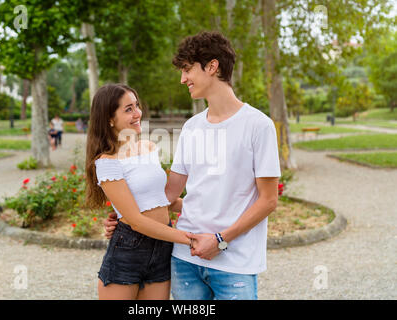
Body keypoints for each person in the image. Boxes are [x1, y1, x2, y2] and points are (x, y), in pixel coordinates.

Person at [104, 31, 281, 300]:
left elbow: (268, 200)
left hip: (235, 264)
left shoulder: (258, 125)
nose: (182, 79)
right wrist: (126, 216)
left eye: (187, 69)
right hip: (186, 261)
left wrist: (220, 240)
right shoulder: (191, 127)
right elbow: (169, 194)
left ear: (212, 66)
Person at [85, 83, 193, 300]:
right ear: (109, 119)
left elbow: (163, 200)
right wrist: (191, 239)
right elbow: (136, 220)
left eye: (136, 106)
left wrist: (204, 207)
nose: (138, 113)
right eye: (128, 109)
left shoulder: (149, 148)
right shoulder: (107, 162)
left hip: (162, 245)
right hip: (129, 249)